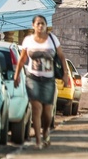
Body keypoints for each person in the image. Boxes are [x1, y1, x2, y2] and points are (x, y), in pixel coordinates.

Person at [14, 15, 70, 149]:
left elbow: (61, 57)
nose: (40, 26)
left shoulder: (52, 39)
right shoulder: (28, 40)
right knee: (36, 108)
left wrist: (65, 74)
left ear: (46, 25)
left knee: (47, 112)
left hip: (48, 80)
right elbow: (22, 59)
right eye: (38, 23)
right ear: (33, 25)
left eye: (43, 23)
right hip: (32, 78)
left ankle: (45, 132)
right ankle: (38, 140)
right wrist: (17, 75)